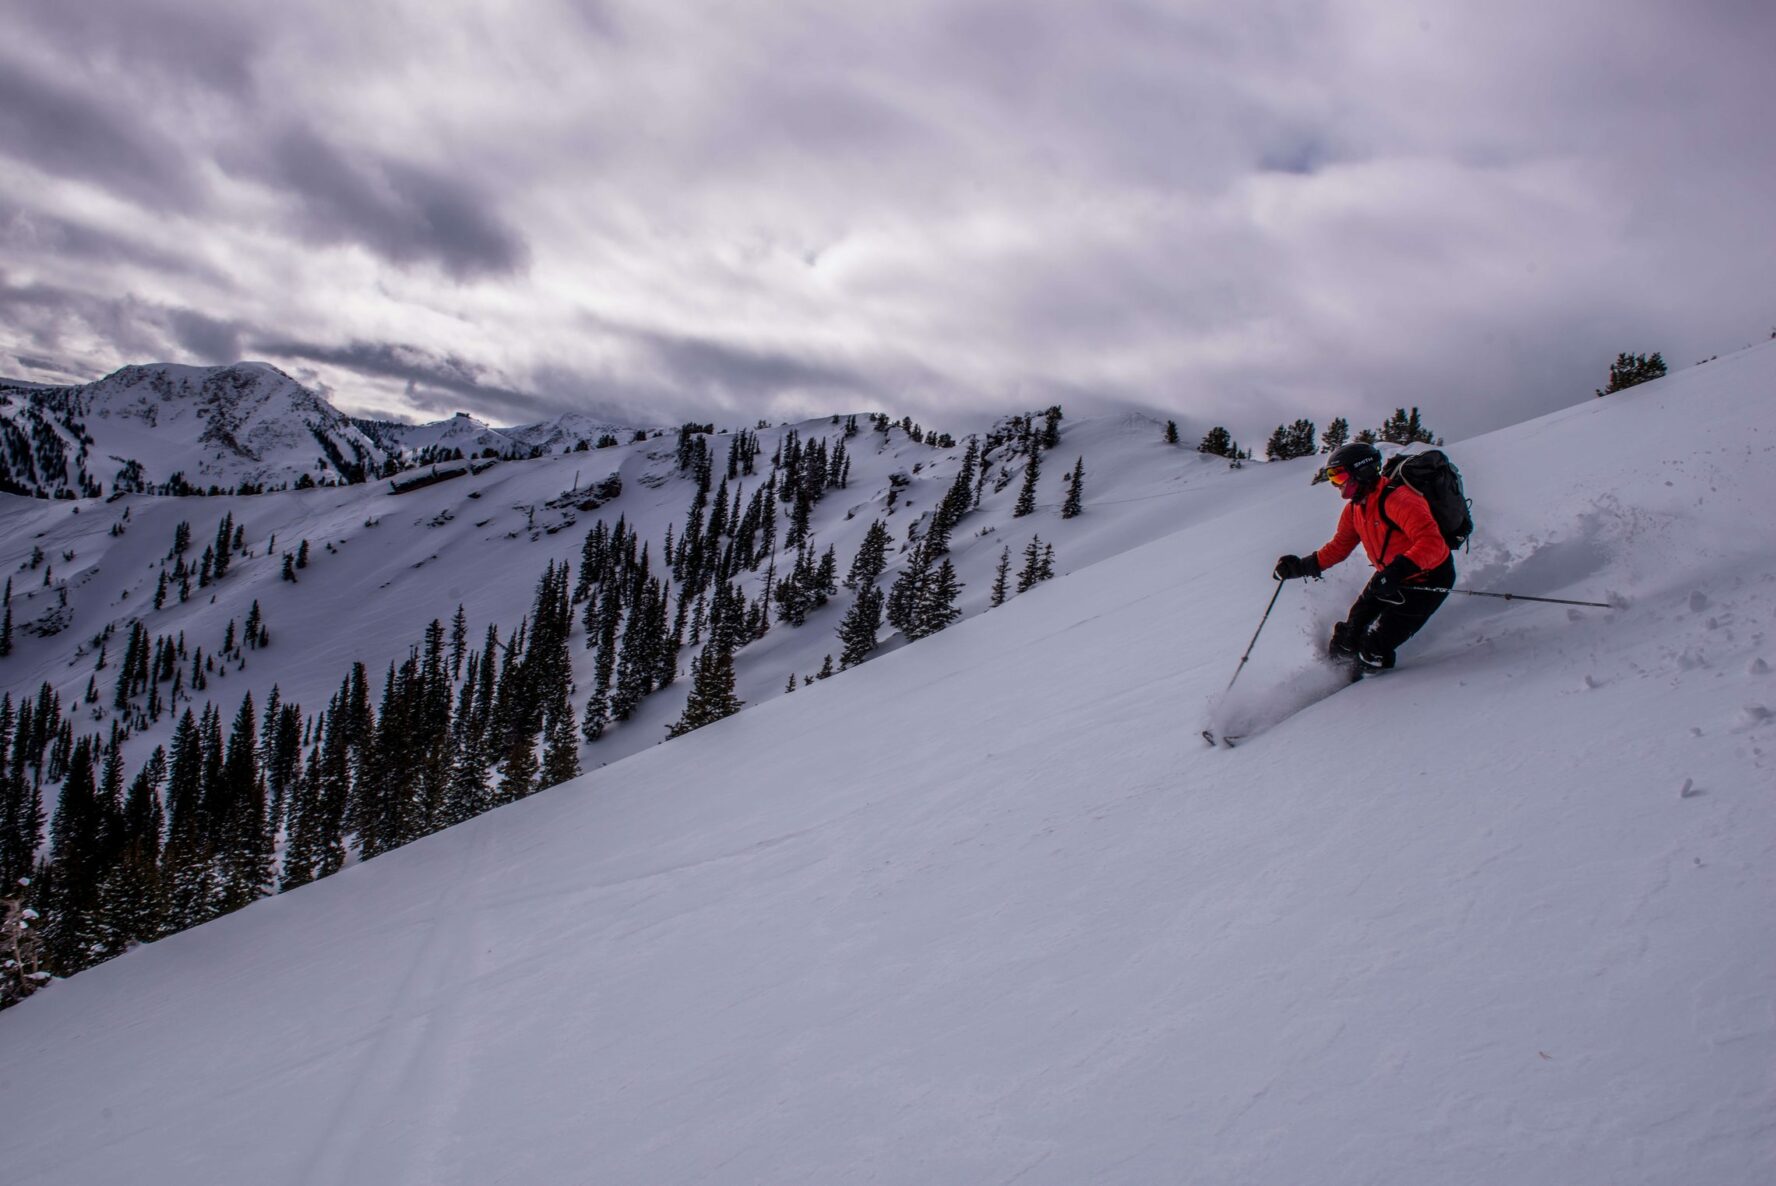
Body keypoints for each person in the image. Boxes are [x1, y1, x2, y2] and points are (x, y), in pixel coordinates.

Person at [1272, 441, 1455, 670]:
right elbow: (1339, 547)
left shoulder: (1400, 500)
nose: (1335, 485)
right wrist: (1299, 567)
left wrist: (1399, 570)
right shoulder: (1355, 509)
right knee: (1347, 640)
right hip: (1388, 578)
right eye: (1331, 478)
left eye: (1339, 477)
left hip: (1428, 579)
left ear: (1362, 471)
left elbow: (1433, 543)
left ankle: (1369, 691)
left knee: (1374, 650)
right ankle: (1331, 681)